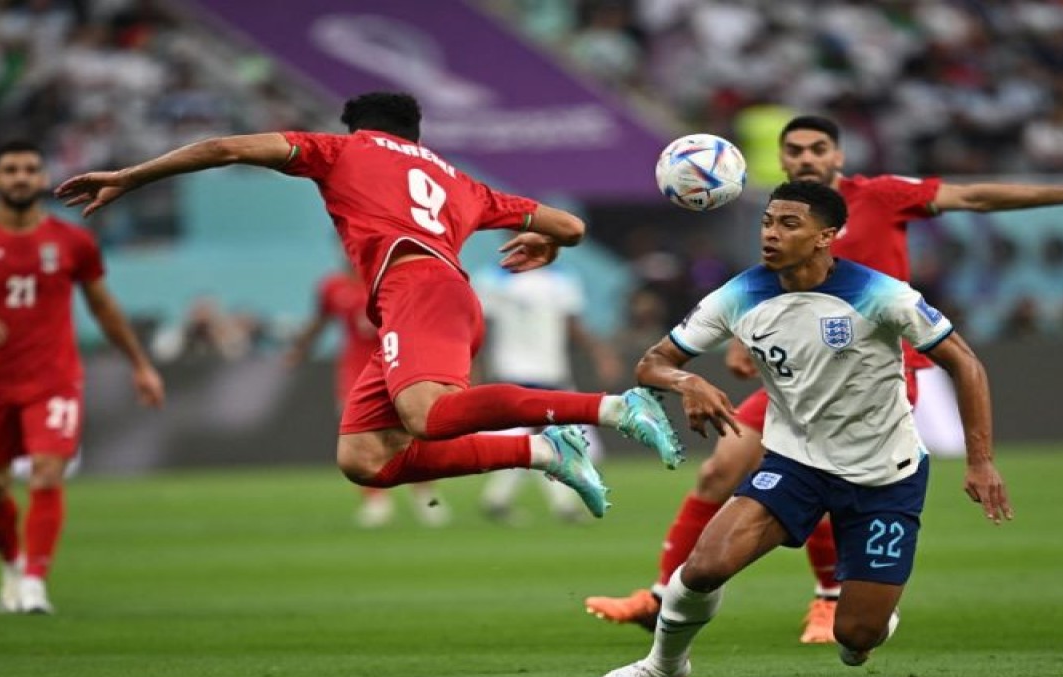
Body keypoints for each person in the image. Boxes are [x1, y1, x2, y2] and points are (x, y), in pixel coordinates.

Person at [585, 115, 1063, 642]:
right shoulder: (785, 215)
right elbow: (769, 298)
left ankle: (831, 598)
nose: (806, 158)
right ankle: (664, 595)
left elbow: (975, 197)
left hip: (873, 373)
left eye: (817, 148)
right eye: (794, 150)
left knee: (827, 467)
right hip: (802, 373)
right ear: (781, 160)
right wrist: (742, 343)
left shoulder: (883, 195)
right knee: (721, 470)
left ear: (839, 156)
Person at [55, 91, 683, 519]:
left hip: (420, 291)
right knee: (365, 461)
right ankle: (544, 452)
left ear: (358, 127)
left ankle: (613, 409)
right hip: (432, 298)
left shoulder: (342, 151)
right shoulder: (458, 179)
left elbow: (224, 149)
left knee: (428, 418)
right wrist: (549, 243)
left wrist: (129, 176)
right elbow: (570, 225)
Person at [586, 181, 1012, 677]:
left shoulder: (881, 294)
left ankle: (871, 617)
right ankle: (665, 665)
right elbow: (653, 362)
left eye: (789, 224)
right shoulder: (740, 294)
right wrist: (688, 382)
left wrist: (980, 461)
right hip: (795, 465)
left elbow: (965, 363)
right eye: (768, 222)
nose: (771, 234)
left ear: (825, 236)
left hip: (884, 475)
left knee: (855, 637)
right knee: (704, 567)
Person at [0, 140, 165, 615]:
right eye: (10, 170)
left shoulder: (72, 241)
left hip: (54, 378)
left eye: (30, 169)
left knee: (47, 472)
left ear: (43, 178)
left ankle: (34, 582)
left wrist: (140, 364)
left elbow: (102, 306)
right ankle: (11, 565)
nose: (21, 177)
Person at [286, 269, 448, 528]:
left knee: (414, 432)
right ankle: (375, 501)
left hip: (398, 367)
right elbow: (320, 320)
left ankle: (425, 496)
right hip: (355, 372)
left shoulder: (392, 279)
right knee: (359, 437)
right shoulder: (333, 286)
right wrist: (300, 349)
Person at [472, 264, 623, 524]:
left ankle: (498, 499)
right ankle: (561, 505)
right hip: (524, 373)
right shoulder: (497, 280)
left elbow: (571, 324)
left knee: (541, 440)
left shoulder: (549, 281)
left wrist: (600, 353)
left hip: (541, 372)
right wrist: (601, 353)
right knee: (555, 440)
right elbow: (480, 327)